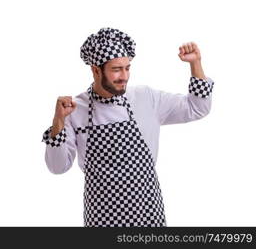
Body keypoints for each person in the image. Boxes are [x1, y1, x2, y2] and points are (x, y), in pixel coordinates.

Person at [41, 27, 214, 227]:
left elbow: (197, 108)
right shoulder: (75, 109)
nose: (124, 76)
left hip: (149, 216)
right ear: (96, 70)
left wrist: (195, 63)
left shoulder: (146, 98)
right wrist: (58, 122)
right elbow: (57, 167)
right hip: (101, 220)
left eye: (127, 67)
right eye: (116, 69)